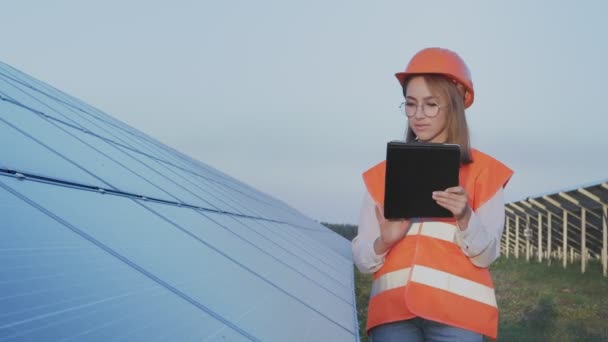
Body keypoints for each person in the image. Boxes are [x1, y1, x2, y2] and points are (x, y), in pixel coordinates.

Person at [352, 47, 513, 341]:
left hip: (459, 318)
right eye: (411, 104)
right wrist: (383, 242)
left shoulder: (485, 173)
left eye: (430, 104)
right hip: (392, 315)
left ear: (454, 105)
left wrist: (466, 217)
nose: (418, 115)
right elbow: (362, 260)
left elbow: (487, 256)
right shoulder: (380, 176)